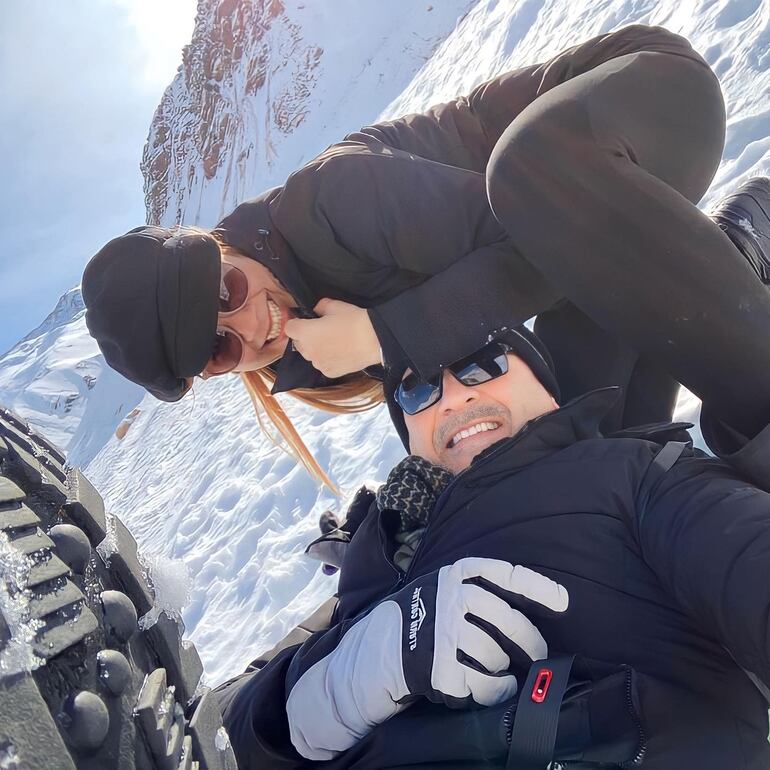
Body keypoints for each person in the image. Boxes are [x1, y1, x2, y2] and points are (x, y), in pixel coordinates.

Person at [81, 23, 770, 490]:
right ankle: (703, 523)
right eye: (220, 352)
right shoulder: (317, 327)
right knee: (595, 448)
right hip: (605, 230)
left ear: (219, 245)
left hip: (642, 104)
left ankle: (750, 359)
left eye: (224, 292)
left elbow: (536, 243)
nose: (249, 331)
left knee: (526, 175)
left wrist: (382, 333)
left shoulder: (327, 199)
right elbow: (454, 380)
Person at [214, 328, 770, 768]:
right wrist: (346, 680)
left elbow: (741, 551)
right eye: (417, 387)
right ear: (409, 431)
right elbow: (214, 726)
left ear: (547, 388)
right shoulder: (376, 555)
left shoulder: (640, 479)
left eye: (484, 359)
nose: (455, 394)